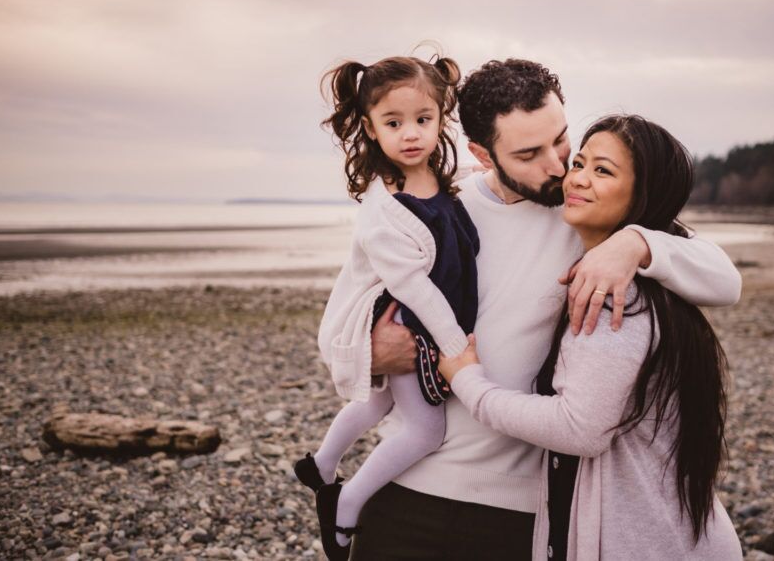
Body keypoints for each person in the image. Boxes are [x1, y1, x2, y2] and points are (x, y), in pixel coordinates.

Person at [335, 58, 742, 560]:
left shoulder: (584, 214)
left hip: (524, 510)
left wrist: (636, 244)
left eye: (562, 141)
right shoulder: (432, 202)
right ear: (483, 154)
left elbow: (725, 281)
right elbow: (338, 326)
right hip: (407, 484)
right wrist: (369, 349)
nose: (557, 166)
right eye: (529, 153)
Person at [439, 114, 743, 560]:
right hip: (667, 532)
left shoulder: (613, 296)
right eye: (579, 163)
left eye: (603, 171)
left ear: (644, 195)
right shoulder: (652, 278)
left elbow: (578, 428)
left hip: (647, 543)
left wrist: (470, 383)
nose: (576, 178)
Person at [294, 54, 479, 560]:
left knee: (377, 403)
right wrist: (456, 345)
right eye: (393, 123)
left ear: (442, 119)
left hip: (419, 319)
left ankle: (321, 463)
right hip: (408, 323)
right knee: (426, 428)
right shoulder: (384, 211)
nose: (411, 134)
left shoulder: (439, 174)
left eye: (423, 120)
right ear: (372, 130)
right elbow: (416, 289)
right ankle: (347, 506)